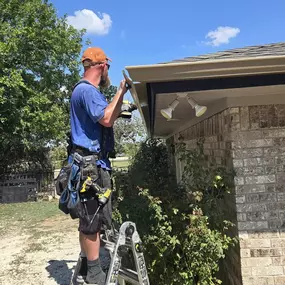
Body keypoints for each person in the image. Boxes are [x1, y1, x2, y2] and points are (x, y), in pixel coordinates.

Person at [69, 47, 128, 285]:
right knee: (92, 221)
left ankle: (86, 263)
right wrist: (121, 91)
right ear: (102, 66)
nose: (108, 73)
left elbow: (108, 116)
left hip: (86, 164)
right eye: (108, 67)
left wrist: (120, 104)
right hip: (90, 167)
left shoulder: (80, 91)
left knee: (87, 218)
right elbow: (105, 118)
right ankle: (94, 273)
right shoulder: (88, 91)